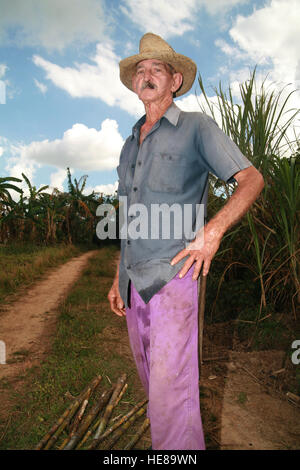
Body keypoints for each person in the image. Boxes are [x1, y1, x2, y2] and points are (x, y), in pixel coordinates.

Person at [107, 33, 264, 450]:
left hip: (175, 278)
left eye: (156, 68)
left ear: (175, 80)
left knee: (171, 397)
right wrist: (117, 277)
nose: (146, 75)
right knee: (153, 389)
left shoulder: (196, 127)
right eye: (140, 70)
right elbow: (130, 218)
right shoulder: (128, 145)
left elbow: (251, 179)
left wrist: (211, 233)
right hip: (133, 284)